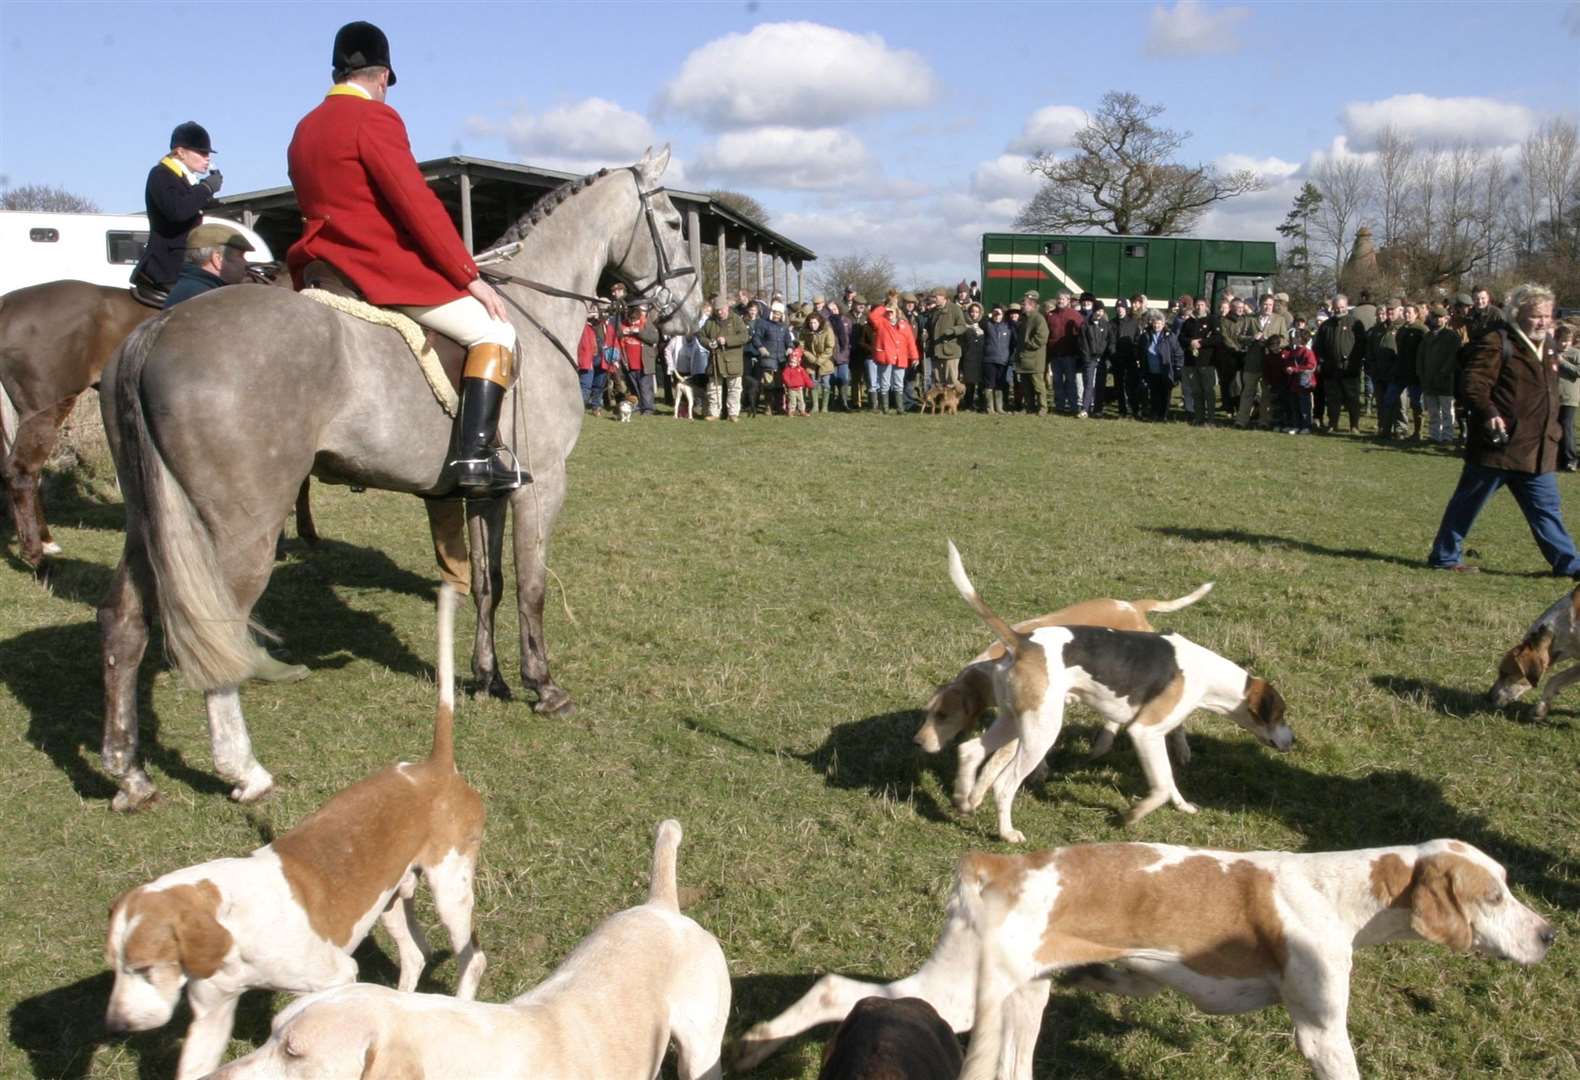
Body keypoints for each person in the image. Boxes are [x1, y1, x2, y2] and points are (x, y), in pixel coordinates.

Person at [287, 21, 519, 495]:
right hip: (374, 270)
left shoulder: (304, 128)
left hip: (318, 270)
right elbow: (417, 208)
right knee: (496, 330)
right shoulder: (375, 119)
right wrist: (467, 275)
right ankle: (475, 458)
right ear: (383, 77)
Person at [1426, 284, 1580, 576]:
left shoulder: (1547, 345)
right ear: (1517, 314)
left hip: (1538, 448)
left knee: (1547, 511)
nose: (1544, 321)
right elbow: (1474, 385)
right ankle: (1444, 557)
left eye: (1548, 315)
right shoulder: (1497, 342)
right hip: (1499, 448)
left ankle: (1569, 564)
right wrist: (1489, 413)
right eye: (1536, 316)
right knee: (1467, 505)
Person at [132, 121, 223, 300]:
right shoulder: (160, 174)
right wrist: (206, 189)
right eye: (202, 152)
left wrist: (206, 202)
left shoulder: (186, 180)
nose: (208, 158)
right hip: (166, 266)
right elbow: (177, 211)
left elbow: (187, 205)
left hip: (184, 264)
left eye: (208, 154)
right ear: (180, 152)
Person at [161, 223, 253, 308]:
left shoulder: (187, 289)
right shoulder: (210, 299)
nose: (246, 263)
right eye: (240, 255)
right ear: (218, 259)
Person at [1312, 293, 1367, 433]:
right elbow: (1318, 347)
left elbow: (1362, 345)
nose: (1339, 310)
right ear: (1333, 308)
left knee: (1352, 399)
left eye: (1342, 307)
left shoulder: (1356, 323)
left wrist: (1354, 362)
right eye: (1336, 307)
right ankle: (1332, 423)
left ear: (1346, 306)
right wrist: (1321, 361)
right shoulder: (1326, 325)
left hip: (1350, 369)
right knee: (1332, 399)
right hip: (1331, 369)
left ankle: (1354, 426)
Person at [1418, 304, 1460, 445]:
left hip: (1445, 379)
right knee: (1433, 411)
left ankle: (1447, 436)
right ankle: (1435, 435)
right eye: (1434, 317)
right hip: (1429, 379)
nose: (1437, 320)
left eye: (1440, 317)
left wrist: (1444, 372)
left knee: (1447, 410)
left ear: (1446, 319)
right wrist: (1421, 373)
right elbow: (1421, 357)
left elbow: (1454, 357)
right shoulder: (1427, 336)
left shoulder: (1451, 336)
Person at [703, 294, 748, 421]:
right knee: (713, 389)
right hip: (715, 360)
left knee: (735, 388)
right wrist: (708, 343)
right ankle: (714, 413)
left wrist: (727, 340)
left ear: (727, 307)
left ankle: (733, 414)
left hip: (733, 361)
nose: (719, 312)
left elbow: (744, 336)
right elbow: (701, 336)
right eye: (717, 310)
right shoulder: (710, 321)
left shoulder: (737, 320)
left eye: (721, 309)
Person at [1177, 298, 1217, 426]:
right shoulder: (1188, 322)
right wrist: (1190, 342)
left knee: (1208, 391)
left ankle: (1211, 418)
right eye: (1197, 305)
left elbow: (1218, 338)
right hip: (1191, 362)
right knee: (1196, 391)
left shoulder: (1212, 320)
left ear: (1206, 306)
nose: (1199, 307)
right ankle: (1198, 417)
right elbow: (1180, 338)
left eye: (1202, 305)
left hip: (1207, 362)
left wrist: (1201, 343)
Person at [1138, 310, 1182, 420]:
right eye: (1155, 323)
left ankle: (1164, 416)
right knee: (1154, 394)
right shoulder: (1146, 336)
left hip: (1166, 370)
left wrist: (1178, 368)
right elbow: (1140, 351)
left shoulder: (1170, 336)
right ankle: (1154, 414)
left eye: (1159, 323)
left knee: (1165, 394)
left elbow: (1178, 353)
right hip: (1151, 370)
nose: (1157, 325)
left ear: (1163, 324)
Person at [1015, 290, 1051, 414]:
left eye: (1024, 304)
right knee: (1026, 387)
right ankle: (1029, 407)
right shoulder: (1024, 319)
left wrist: (1029, 345)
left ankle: (1043, 408)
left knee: (1038, 386)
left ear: (1031, 305)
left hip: (1035, 360)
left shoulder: (1038, 318)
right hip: (1024, 359)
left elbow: (1042, 337)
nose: (1021, 306)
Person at [929, 285, 971, 390]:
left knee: (951, 381)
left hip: (950, 351)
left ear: (943, 296)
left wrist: (953, 331)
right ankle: (941, 405)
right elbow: (931, 329)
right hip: (936, 351)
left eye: (935, 297)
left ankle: (953, 404)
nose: (933, 299)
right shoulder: (934, 311)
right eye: (933, 297)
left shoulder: (955, 309)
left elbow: (963, 327)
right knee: (938, 381)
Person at [1076, 300, 1112, 418]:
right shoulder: (1085, 325)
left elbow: (1108, 341)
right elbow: (1083, 343)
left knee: (1100, 384)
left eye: (1102, 311)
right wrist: (1087, 358)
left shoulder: (1105, 325)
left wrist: (1106, 358)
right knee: (1088, 384)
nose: (1099, 313)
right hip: (1090, 359)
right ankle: (1085, 409)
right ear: (1094, 311)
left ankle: (1098, 409)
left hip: (1101, 360)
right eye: (1098, 310)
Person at [1281, 330, 1318, 434]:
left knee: (1304, 406)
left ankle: (1306, 426)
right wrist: (1287, 368)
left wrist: (1295, 369)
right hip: (1293, 383)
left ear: (1302, 339)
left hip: (1304, 384)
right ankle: (1296, 425)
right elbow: (1288, 363)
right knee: (1294, 406)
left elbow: (1311, 366)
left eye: (1297, 337)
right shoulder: (1293, 351)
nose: (1294, 339)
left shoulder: (1307, 352)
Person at [800, 311, 836, 413]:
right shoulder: (805, 331)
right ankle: (815, 406)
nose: (812, 325)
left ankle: (824, 407)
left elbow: (830, 348)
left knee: (826, 384)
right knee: (813, 383)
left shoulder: (828, 330)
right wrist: (811, 358)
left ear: (819, 322)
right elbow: (802, 346)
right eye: (811, 323)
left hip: (825, 361)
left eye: (815, 323)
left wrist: (819, 360)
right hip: (810, 361)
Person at [980, 304, 1014, 415]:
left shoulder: (1008, 326)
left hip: (1003, 359)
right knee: (989, 384)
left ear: (1003, 315)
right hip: (989, 359)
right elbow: (982, 321)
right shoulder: (988, 324)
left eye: (999, 313)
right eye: (995, 313)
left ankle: (999, 408)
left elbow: (1013, 341)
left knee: (1000, 384)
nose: (996, 316)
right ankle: (990, 408)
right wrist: (990, 314)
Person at [1556, 324, 1580, 471]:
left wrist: (1562, 362)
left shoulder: (1576, 353)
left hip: (1569, 397)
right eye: (1563, 341)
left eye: (1568, 341)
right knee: (1554, 427)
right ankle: (1558, 458)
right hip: (1552, 396)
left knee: (1566, 427)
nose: (1566, 344)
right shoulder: (1549, 352)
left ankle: (1571, 459)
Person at [780, 346, 813, 416]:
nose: (792, 364)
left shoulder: (801, 369)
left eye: (794, 363)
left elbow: (805, 377)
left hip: (800, 388)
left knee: (801, 400)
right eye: (791, 362)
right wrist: (788, 383)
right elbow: (785, 376)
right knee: (792, 401)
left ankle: (802, 411)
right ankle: (791, 411)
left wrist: (810, 384)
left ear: (798, 362)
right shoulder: (788, 369)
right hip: (791, 388)